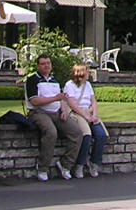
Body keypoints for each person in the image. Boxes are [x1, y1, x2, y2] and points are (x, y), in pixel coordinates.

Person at [25, 54, 89, 182]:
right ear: (38, 66)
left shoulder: (55, 80)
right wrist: (55, 98)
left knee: (77, 132)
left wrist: (63, 110)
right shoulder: (33, 80)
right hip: (39, 113)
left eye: (48, 63)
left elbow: (62, 98)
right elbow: (35, 101)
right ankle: (43, 167)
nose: (46, 66)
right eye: (43, 64)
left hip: (56, 112)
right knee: (51, 132)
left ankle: (65, 164)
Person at [62, 63, 107, 178]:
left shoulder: (88, 85)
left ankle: (94, 162)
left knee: (101, 135)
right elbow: (72, 104)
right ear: (81, 73)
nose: (89, 73)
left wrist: (94, 115)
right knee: (86, 135)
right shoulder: (69, 85)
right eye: (87, 71)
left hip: (89, 112)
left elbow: (93, 101)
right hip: (78, 113)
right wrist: (86, 117)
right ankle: (80, 164)